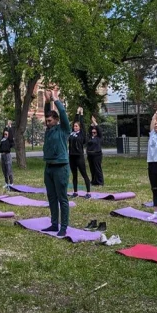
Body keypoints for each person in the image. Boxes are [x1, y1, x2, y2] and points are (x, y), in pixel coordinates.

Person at [42, 89, 71, 237]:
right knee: (51, 197)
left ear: (56, 120)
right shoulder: (49, 130)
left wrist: (56, 99)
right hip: (49, 167)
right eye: (46, 121)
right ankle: (54, 224)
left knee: (62, 198)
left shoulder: (63, 129)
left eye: (50, 120)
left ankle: (64, 226)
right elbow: (46, 111)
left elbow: (63, 114)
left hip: (61, 167)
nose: (47, 123)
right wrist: (47, 102)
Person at [69, 107, 91, 198]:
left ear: (80, 128)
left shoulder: (81, 133)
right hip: (71, 156)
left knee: (84, 174)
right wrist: (76, 113)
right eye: (74, 126)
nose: (75, 127)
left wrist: (81, 114)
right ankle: (75, 192)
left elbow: (81, 123)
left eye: (76, 126)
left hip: (79, 157)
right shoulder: (72, 133)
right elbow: (74, 121)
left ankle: (88, 193)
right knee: (74, 175)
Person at [87, 116, 104, 187]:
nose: (93, 132)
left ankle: (100, 182)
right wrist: (92, 123)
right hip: (90, 155)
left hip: (97, 155)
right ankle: (94, 181)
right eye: (92, 132)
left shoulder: (99, 137)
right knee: (92, 169)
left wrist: (94, 122)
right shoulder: (90, 137)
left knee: (97, 168)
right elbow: (89, 130)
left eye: (95, 132)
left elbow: (99, 129)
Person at [0, 120, 15, 190]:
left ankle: (11, 183)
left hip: (7, 155)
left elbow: (11, 134)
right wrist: (6, 126)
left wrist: (10, 126)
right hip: (2, 156)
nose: (5, 135)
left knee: (9, 169)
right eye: (4, 134)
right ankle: (6, 182)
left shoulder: (9, 140)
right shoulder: (2, 140)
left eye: (6, 134)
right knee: (4, 169)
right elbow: (4, 131)